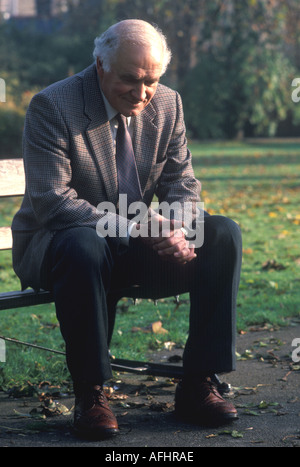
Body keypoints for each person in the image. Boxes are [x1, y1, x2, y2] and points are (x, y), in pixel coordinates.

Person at [12, 19, 242, 440]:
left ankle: (198, 382)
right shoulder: (53, 105)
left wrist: (177, 229)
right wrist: (138, 226)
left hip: (131, 249)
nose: (142, 93)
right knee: (84, 242)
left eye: (151, 81)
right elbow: (53, 203)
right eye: (130, 80)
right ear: (100, 64)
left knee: (222, 233)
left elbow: (182, 183)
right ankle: (91, 392)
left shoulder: (168, 104)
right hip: (61, 249)